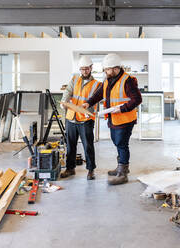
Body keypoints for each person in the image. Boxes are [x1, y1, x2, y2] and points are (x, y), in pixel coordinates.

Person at [82, 53, 142, 185]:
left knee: (121, 144)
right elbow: (99, 94)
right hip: (113, 119)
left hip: (125, 118)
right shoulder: (108, 79)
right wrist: (88, 102)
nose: (105, 71)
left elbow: (137, 99)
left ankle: (123, 173)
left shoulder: (128, 80)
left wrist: (122, 109)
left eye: (107, 69)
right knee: (117, 142)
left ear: (116, 68)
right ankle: (121, 166)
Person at [60, 56, 101, 180]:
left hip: (85, 119)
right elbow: (68, 91)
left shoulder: (97, 84)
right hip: (71, 117)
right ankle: (70, 168)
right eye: (82, 69)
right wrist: (63, 102)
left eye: (86, 69)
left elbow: (94, 100)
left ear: (91, 68)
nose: (84, 72)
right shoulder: (75, 79)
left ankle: (90, 170)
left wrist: (88, 110)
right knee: (71, 145)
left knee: (88, 145)